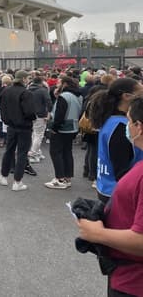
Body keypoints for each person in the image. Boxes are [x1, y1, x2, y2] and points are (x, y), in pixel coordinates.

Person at [76, 96, 143, 297]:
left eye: (128, 121)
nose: (127, 127)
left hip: (134, 282)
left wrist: (96, 233)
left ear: (138, 126)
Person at [90, 78, 143, 202]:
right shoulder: (121, 127)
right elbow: (121, 171)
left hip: (108, 187)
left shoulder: (111, 119)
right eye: (140, 94)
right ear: (126, 96)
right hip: (118, 192)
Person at [0, 70, 36, 191]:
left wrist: (6, 117)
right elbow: (29, 111)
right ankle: (17, 181)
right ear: (24, 79)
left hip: (10, 126)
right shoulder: (26, 93)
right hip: (24, 127)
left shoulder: (5, 91)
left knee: (9, 150)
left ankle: (3, 176)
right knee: (22, 153)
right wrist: (32, 118)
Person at [44, 77, 83, 190]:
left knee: (55, 152)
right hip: (73, 126)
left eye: (59, 83)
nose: (57, 84)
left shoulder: (64, 96)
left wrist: (54, 128)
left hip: (62, 128)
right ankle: (67, 177)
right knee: (67, 152)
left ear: (65, 84)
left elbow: (60, 114)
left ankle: (60, 178)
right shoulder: (78, 96)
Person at [27, 75, 52, 163]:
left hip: (30, 114)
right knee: (39, 134)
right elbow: (49, 102)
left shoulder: (28, 89)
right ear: (41, 82)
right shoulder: (43, 90)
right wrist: (49, 113)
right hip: (40, 114)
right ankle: (33, 153)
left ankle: (37, 152)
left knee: (34, 133)